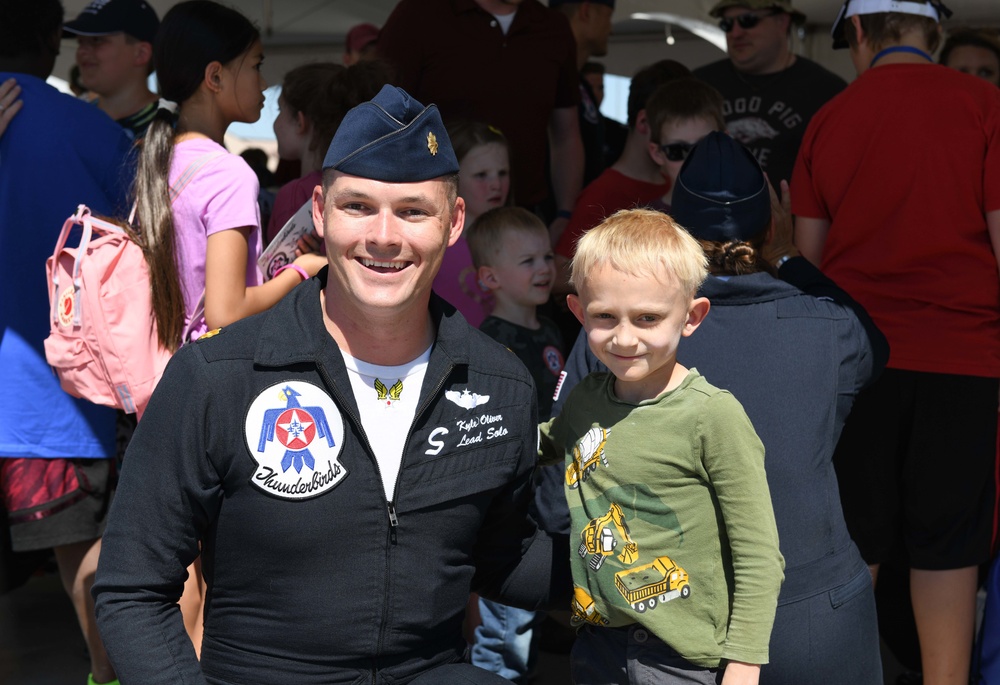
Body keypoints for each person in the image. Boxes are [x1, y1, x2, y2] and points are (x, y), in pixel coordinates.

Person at [93, 83, 566, 685]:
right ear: (319, 212)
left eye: (413, 211)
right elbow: (132, 588)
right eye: (358, 207)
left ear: (454, 222)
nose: (384, 235)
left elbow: (507, 558)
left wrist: (630, 571)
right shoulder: (217, 377)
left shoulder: (499, 382)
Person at [792, 2, 1000, 683]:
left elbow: (809, 270)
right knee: (949, 549)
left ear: (856, 32)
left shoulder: (830, 117)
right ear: (933, 30)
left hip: (861, 365)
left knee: (855, 544)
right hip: (965, 360)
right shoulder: (984, 105)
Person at [125, 0, 327, 650]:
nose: (265, 85)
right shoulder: (227, 172)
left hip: (154, 385)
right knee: (218, 577)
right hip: (213, 392)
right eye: (256, 67)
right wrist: (304, 270)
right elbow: (227, 310)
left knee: (172, 569)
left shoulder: (157, 159)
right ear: (215, 76)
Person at [667, 131, 885, 684]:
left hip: (675, 604)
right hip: (812, 610)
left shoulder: (626, 333)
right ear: (770, 223)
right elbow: (873, 346)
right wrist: (789, 255)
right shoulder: (831, 328)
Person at [541, 208, 784, 685]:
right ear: (577, 312)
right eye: (604, 317)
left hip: (681, 661)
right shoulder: (587, 397)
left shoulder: (712, 415)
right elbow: (547, 445)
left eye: (648, 318)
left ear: (691, 317)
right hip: (598, 645)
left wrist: (745, 661)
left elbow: (758, 551)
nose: (624, 337)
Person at [0, 2, 134, 684]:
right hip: (56, 393)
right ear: (53, 40)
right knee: (79, 547)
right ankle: (105, 674)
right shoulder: (94, 133)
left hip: (39, 393)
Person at [379, 0, 584, 242]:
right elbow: (381, 123)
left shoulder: (553, 26)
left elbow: (566, 134)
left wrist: (565, 213)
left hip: (523, 214)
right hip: (432, 217)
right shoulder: (419, 14)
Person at [465, 206, 564, 682]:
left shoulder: (549, 331)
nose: (544, 267)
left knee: (531, 628)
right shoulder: (488, 343)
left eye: (546, 256)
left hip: (550, 500)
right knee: (506, 632)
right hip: (514, 508)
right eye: (527, 261)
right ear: (490, 278)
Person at [553, 59, 689, 291]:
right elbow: (559, 274)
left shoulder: (676, 183)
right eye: (678, 125)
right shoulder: (604, 194)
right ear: (645, 122)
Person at [694, 0, 845, 187]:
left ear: (782, 21)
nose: (735, 33)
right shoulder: (695, 85)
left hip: (795, 214)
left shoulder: (826, 90)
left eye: (747, 20)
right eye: (727, 24)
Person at [267, 60, 393, 242]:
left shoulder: (296, 195)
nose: (275, 122)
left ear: (300, 121)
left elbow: (281, 270)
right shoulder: (378, 183)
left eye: (280, 110)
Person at [432, 120, 511, 327]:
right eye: (481, 175)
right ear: (453, 180)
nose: (496, 184)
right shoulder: (435, 244)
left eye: (502, 173)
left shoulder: (517, 241)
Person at [63, 0, 161, 140]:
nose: (81, 51)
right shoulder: (74, 117)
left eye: (97, 40)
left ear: (141, 54)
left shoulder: (174, 127)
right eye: (80, 42)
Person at [550, 0, 616, 186]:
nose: (611, 29)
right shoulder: (544, 80)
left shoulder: (582, 86)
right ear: (586, 12)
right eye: (608, 17)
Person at [644, 78, 726, 211]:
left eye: (705, 146)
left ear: (726, 143)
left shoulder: (749, 212)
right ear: (657, 153)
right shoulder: (645, 226)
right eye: (677, 150)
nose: (694, 161)